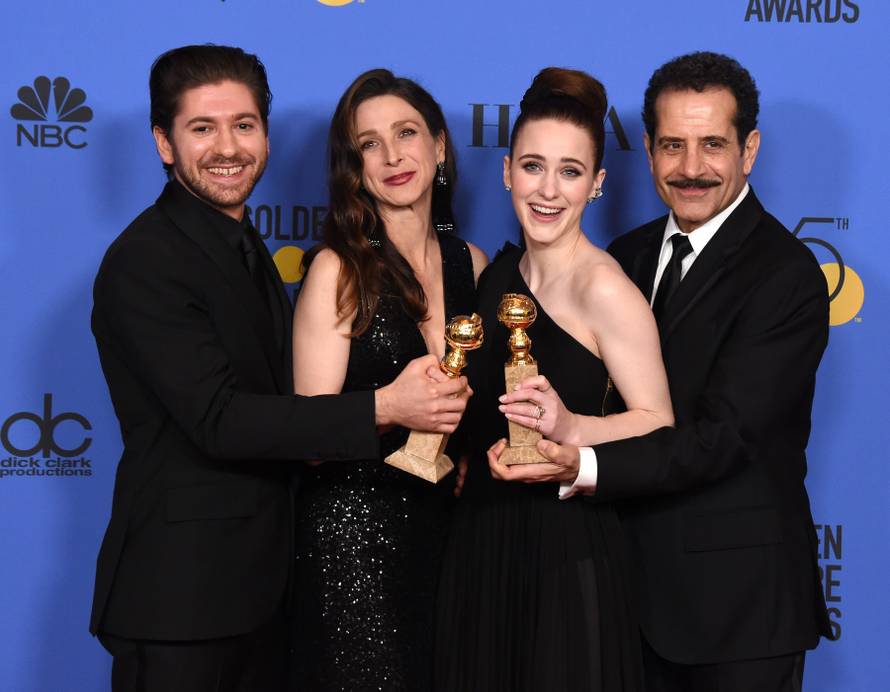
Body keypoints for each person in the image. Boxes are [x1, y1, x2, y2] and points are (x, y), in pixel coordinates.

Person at [89, 46, 470, 692]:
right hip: (184, 600)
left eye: (243, 125)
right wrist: (385, 407)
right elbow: (219, 419)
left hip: (263, 593)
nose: (227, 147)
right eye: (201, 129)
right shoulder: (146, 261)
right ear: (163, 143)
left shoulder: (241, 249)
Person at [498, 52, 833, 692]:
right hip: (621, 597)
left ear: (750, 150)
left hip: (737, 615)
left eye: (713, 145)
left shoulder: (785, 276)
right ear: (648, 151)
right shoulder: (627, 255)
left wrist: (582, 462)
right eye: (672, 145)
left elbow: (723, 438)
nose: (691, 168)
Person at [434, 67, 673, 692]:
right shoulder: (496, 277)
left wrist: (573, 430)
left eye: (570, 171)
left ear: (596, 185)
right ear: (507, 170)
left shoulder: (606, 288)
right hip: (481, 540)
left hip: (566, 547)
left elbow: (658, 423)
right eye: (534, 166)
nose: (548, 190)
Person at [290, 69, 486, 692]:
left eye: (406, 133)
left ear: (440, 146)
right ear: (353, 167)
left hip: (448, 541)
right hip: (354, 545)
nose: (393, 155)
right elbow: (310, 435)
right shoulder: (339, 271)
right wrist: (393, 405)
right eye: (369, 143)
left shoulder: (473, 266)